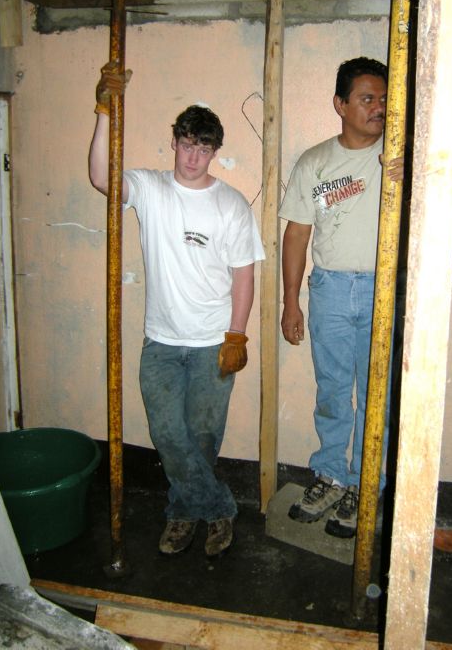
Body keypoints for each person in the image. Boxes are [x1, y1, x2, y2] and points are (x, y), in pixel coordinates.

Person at [89, 63, 265, 557]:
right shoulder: (150, 189)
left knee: (203, 439)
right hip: (162, 343)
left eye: (204, 149)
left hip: (213, 342)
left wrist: (237, 335)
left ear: (214, 152)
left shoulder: (231, 205)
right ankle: (220, 509)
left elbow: (244, 275)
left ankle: (182, 514)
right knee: (167, 434)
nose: (193, 157)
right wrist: (104, 109)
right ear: (174, 142)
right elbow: (101, 177)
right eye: (187, 145)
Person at [278, 56, 403, 539]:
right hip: (329, 289)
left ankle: (367, 485)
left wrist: (410, 174)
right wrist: (292, 302)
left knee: (378, 394)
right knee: (332, 390)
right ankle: (331, 476)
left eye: (384, 99)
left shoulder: (398, 156)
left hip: (382, 289)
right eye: (367, 98)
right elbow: (296, 235)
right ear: (341, 104)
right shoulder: (315, 162)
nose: (379, 107)